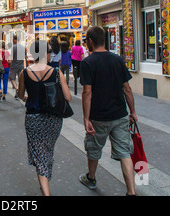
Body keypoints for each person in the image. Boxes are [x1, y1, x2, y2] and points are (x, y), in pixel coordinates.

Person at [79, 26, 138, 196]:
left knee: (94, 149)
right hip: (120, 114)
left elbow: (87, 92)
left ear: (90, 41)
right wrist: (132, 112)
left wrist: (86, 118)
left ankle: (91, 178)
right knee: (124, 152)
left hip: (98, 116)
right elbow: (127, 88)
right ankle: (131, 191)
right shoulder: (117, 60)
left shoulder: (87, 62)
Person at [18, 40, 72, 196]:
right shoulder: (56, 72)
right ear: (44, 54)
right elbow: (68, 97)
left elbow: (21, 95)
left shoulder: (25, 72)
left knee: (40, 152)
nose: (50, 54)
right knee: (47, 150)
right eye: (49, 51)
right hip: (53, 118)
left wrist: (29, 96)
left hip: (33, 118)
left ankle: (45, 188)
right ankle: (45, 185)